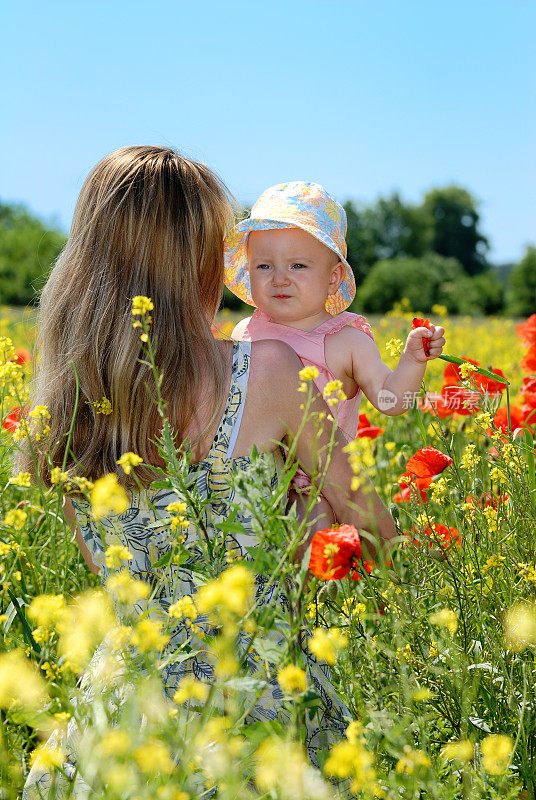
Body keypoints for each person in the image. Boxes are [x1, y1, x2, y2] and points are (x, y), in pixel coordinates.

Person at [20, 147, 396, 798]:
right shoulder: (270, 370)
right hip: (259, 711)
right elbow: (376, 531)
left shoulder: (66, 409)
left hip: (123, 721)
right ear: (197, 259)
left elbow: (116, 572)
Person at [225, 181, 446, 530]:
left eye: (298, 266)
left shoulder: (346, 340)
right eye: (264, 266)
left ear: (333, 277)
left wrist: (412, 361)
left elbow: (392, 401)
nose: (280, 278)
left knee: (312, 524)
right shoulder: (243, 332)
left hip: (318, 487)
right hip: (247, 480)